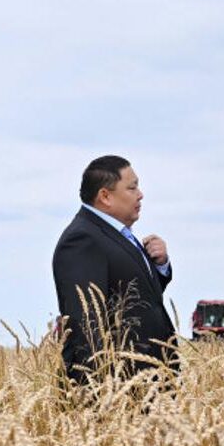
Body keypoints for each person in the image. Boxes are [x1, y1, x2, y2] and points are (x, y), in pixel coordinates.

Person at [52, 155, 176, 380]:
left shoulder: (116, 235)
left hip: (146, 378)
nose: (140, 194)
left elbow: (137, 298)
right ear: (105, 196)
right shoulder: (82, 240)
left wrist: (160, 266)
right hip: (121, 383)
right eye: (132, 187)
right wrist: (99, 390)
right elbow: (86, 325)